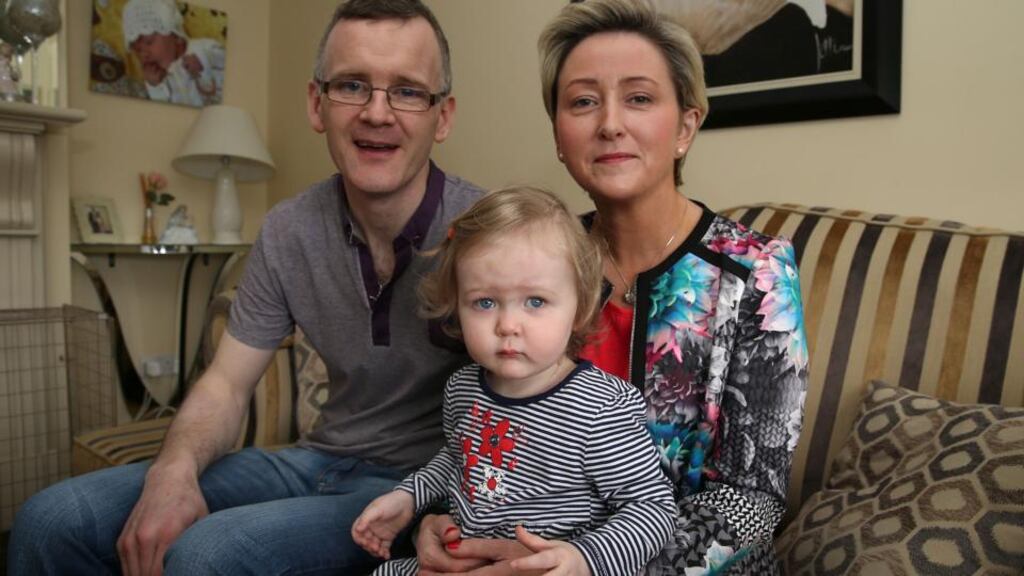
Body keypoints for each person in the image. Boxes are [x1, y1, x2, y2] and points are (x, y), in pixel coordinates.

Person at [9, 1, 484, 574]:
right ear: (316, 104)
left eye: (407, 91)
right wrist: (172, 473)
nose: (376, 113)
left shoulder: (487, 227)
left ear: (445, 115)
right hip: (316, 460)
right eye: (352, 85)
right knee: (51, 518)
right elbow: (227, 385)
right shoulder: (288, 229)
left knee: (207, 553)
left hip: (416, 487)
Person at [414, 1, 809, 574]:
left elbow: (753, 502)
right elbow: (485, 431)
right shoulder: (529, 266)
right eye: (582, 101)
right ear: (558, 132)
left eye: (640, 97)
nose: (609, 123)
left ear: (686, 126)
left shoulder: (757, 271)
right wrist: (446, 522)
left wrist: (583, 565)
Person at [353, 187, 676, 576]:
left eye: (535, 302)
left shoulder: (599, 408)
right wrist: (408, 497)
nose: (507, 325)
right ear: (457, 306)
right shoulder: (463, 389)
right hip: (465, 560)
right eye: (484, 302)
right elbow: (459, 460)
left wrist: (583, 560)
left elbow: (652, 509)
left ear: (580, 306)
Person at [122, 0, 226, 106]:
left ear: (177, 37)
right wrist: (154, 87)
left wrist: (204, 61)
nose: (144, 54)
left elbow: (228, 65)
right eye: (138, 50)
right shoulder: (159, 79)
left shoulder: (203, 48)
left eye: (149, 42)